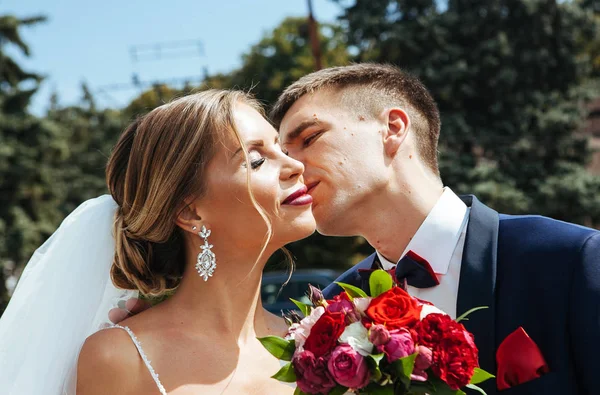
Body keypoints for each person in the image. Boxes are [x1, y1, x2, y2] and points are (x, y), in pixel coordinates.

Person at [271, 63, 600, 395]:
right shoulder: (331, 310)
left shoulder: (570, 260)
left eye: (309, 138)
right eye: (283, 153)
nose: (289, 166)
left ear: (392, 128)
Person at [0, 90, 315, 394]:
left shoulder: (318, 347)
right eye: (257, 160)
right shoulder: (122, 358)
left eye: (281, 150)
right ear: (190, 211)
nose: (296, 166)